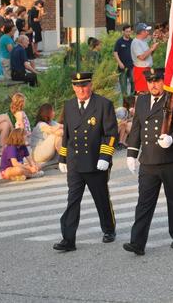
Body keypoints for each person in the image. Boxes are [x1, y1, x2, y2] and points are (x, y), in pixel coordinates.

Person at [122, 68, 173, 256]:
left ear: (164, 81)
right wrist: (131, 153)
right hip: (149, 160)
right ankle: (137, 242)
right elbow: (137, 127)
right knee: (144, 202)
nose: (153, 85)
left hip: (171, 158)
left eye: (157, 81)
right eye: (150, 81)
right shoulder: (143, 100)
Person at [53, 72, 118, 252]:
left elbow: (111, 134)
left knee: (101, 198)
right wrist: (63, 157)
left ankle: (108, 229)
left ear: (91, 85)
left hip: (95, 162)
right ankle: (68, 239)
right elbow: (66, 134)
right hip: (75, 162)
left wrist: (105, 156)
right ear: (73, 87)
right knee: (72, 200)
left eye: (84, 85)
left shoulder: (103, 105)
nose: (81, 89)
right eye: (77, 86)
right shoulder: (69, 106)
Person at [30, 103, 63, 168]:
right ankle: (65, 159)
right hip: (38, 154)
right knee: (58, 134)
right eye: (52, 111)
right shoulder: (40, 125)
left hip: (48, 152)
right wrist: (62, 127)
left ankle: (65, 159)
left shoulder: (52, 122)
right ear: (47, 113)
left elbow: (62, 128)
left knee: (62, 133)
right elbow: (52, 130)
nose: (54, 112)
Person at [131, 23, 158, 94]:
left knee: (148, 91)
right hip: (140, 71)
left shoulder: (143, 41)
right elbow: (141, 57)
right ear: (142, 32)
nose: (148, 33)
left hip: (146, 69)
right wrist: (151, 49)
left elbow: (148, 55)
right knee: (142, 93)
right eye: (146, 31)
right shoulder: (136, 42)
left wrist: (153, 48)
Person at [113, 25, 134, 97]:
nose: (128, 33)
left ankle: (132, 97)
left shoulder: (132, 41)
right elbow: (115, 53)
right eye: (127, 31)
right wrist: (119, 63)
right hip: (122, 67)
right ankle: (125, 101)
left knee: (133, 82)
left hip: (131, 66)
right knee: (123, 85)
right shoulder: (119, 41)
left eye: (129, 31)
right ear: (123, 32)